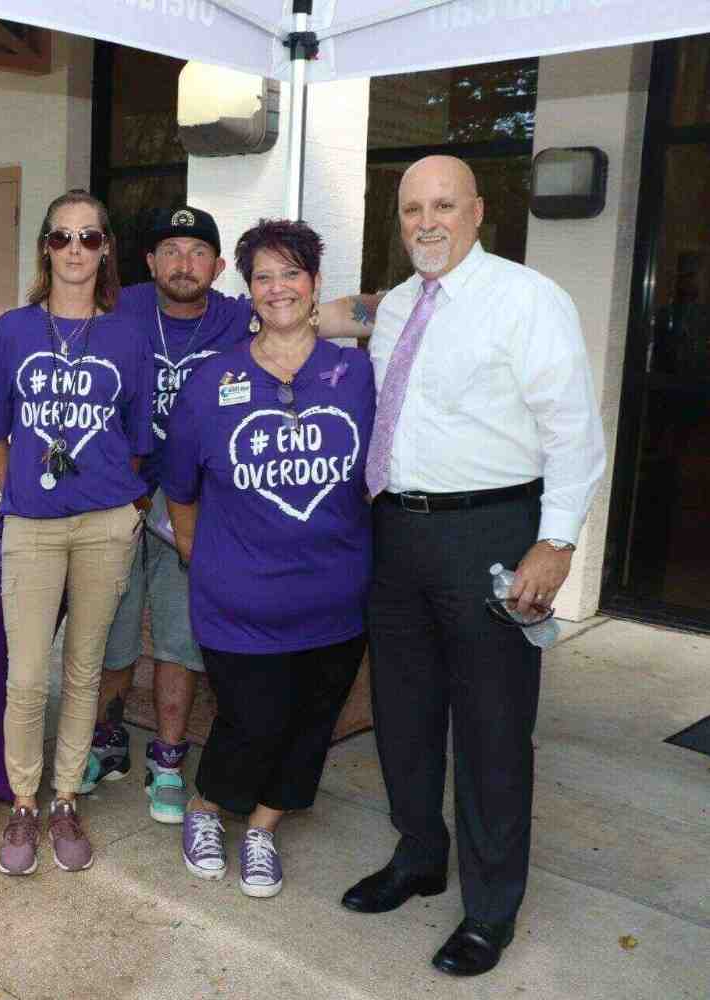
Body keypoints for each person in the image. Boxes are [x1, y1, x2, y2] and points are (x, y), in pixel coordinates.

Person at [0, 206, 380, 826]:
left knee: (182, 640)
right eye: (171, 250)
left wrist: (417, 302)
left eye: (198, 252)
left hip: (195, 497)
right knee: (111, 636)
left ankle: (167, 755)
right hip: (118, 491)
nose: (184, 263)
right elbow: (17, 323)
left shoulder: (244, 312)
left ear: (216, 267)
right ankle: (104, 741)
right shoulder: (124, 307)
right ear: (148, 261)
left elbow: (351, 311)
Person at [342, 155, 606, 976]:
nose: (427, 221)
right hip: (396, 535)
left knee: (492, 732)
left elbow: (574, 432)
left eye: (444, 206)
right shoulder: (396, 309)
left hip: (491, 534)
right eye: (413, 207)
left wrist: (555, 543)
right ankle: (420, 854)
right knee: (404, 713)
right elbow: (336, 316)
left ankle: (491, 911)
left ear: (478, 211)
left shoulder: (527, 300)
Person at [162, 219, 373, 898]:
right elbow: (181, 488)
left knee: (312, 723)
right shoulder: (211, 380)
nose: (277, 287)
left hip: (337, 602)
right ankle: (206, 808)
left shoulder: (358, 375)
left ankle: (262, 827)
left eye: (291, 273)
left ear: (314, 285)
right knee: (252, 721)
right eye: (263, 276)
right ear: (247, 289)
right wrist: (199, 556)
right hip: (237, 600)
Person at [0, 189, 153, 875]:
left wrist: (114, 502)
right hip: (32, 527)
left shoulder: (126, 336)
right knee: (27, 678)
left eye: (88, 237)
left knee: (83, 673)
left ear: (105, 248)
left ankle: (66, 796)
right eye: (61, 238)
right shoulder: (13, 331)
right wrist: (23, 495)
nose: (75, 250)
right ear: (44, 249)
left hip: (107, 524)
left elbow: (136, 442)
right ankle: (24, 803)